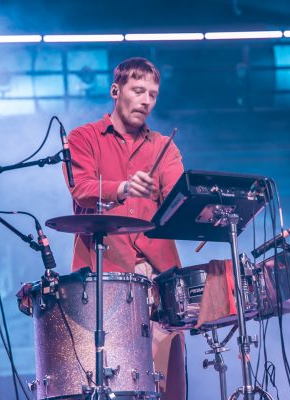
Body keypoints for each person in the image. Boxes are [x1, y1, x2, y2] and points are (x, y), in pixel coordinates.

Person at [64, 57, 186, 400]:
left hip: (159, 279)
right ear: (116, 91)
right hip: (105, 277)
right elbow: (82, 190)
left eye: (153, 94)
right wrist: (123, 187)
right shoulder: (83, 137)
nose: (147, 100)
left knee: (165, 382)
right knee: (110, 381)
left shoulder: (164, 146)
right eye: (138, 90)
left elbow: (178, 199)